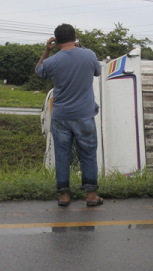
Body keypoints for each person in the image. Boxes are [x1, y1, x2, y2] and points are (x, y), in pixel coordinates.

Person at [35, 23, 103, 207]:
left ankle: (64, 197)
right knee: (88, 155)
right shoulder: (88, 54)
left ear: (56, 40)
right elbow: (98, 71)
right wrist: (82, 49)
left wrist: (47, 51)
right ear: (75, 37)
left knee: (62, 155)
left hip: (61, 116)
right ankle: (91, 196)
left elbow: (39, 71)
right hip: (84, 115)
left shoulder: (52, 61)